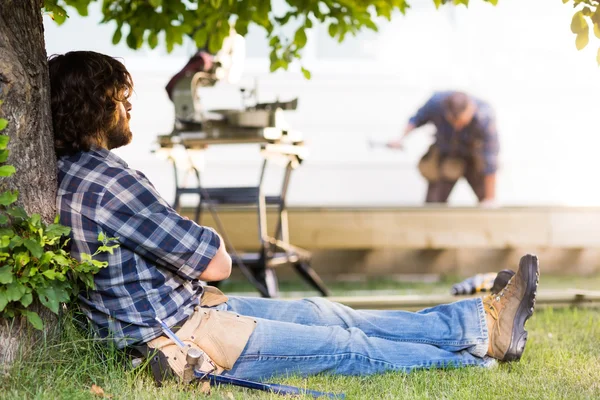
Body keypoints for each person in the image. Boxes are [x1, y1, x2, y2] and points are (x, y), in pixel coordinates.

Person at [49, 51, 538, 383]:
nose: (129, 108)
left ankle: (479, 325)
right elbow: (215, 263)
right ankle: (472, 363)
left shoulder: (72, 173)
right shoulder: (108, 181)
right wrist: (196, 245)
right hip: (182, 338)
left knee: (329, 313)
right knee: (345, 348)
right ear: (96, 107)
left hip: (189, 313)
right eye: (121, 99)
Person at [388, 91, 500, 206]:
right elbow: (416, 119)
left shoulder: (485, 116)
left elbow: (490, 159)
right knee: (433, 204)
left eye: (462, 122)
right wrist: (401, 138)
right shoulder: (435, 103)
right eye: (453, 122)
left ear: (471, 109)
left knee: (487, 202)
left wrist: (490, 198)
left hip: (474, 158)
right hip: (446, 155)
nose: (458, 127)